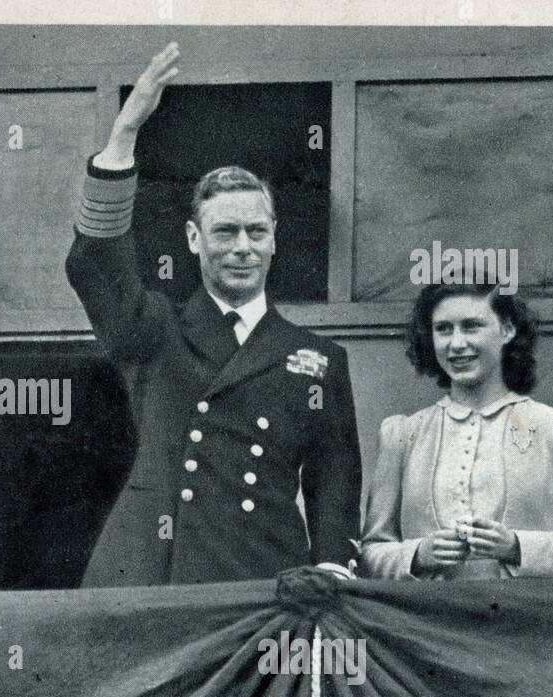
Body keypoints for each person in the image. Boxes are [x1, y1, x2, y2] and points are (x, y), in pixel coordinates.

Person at [65, 43, 362, 587]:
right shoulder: (154, 329)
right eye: (225, 232)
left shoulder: (319, 359)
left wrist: (332, 574)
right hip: (153, 569)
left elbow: (334, 486)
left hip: (263, 573)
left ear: (275, 240)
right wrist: (124, 136)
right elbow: (96, 265)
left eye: (257, 232)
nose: (242, 247)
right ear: (193, 239)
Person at [360, 281, 553, 579]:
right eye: (443, 329)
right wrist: (418, 555)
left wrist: (517, 547)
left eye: (471, 326)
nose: (456, 344)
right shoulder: (402, 434)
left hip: (524, 622)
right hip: (424, 622)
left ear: (507, 330)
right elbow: (371, 552)